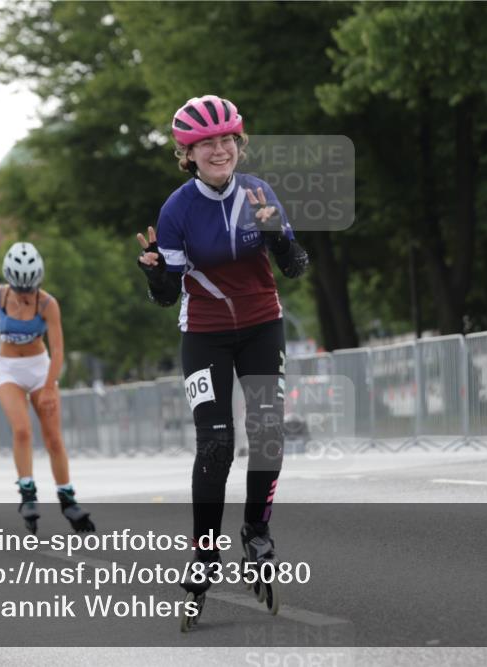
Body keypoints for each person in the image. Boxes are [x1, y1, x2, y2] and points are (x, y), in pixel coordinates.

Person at [136, 94, 309, 625]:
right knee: (215, 445)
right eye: (206, 143)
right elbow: (168, 297)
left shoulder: (259, 192)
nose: (219, 150)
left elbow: (296, 266)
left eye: (227, 139)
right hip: (205, 334)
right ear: (187, 153)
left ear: (238, 143)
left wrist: (278, 235)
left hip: (261, 326)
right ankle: (204, 552)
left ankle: (256, 535)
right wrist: (155, 276)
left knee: (268, 432)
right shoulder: (176, 211)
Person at [0, 241, 95, 534]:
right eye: (20, 290)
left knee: (54, 438)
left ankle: (68, 498)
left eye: (30, 289)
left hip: (39, 367)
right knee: (22, 430)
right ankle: (27, 493)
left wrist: (48, 388)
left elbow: (58, 350)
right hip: (8, 368)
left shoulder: (48, 304)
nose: (25, 295)